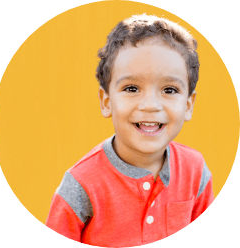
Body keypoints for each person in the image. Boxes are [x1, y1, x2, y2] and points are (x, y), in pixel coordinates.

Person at [46, 14, 214, 247]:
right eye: (132, 88)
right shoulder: (80, 184)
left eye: (169, 89)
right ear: (106, 102)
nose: (150, 105)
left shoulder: (196, 171)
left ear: (188, 105)